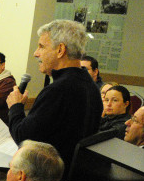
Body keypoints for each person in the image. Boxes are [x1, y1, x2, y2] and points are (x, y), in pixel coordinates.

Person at [7, 19, 103, 169]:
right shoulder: (89, 84)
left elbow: (24, 138)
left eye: (41, 47)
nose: (35, 53)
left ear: (60, 50)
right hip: (75, 170)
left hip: (49, 175)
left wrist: (15, 107)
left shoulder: (59, 90)